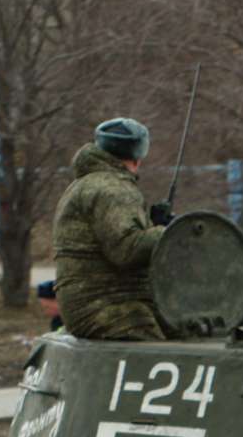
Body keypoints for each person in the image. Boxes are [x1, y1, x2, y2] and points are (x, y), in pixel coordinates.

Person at [51, 116, 174, 341]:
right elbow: (126, 250)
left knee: (183, 326)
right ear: (136, 157)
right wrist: (167, 233)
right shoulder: (113, 188)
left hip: (90, 302)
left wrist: (153, 228)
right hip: (105, 304)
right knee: (154, 350)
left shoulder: (87, 183)